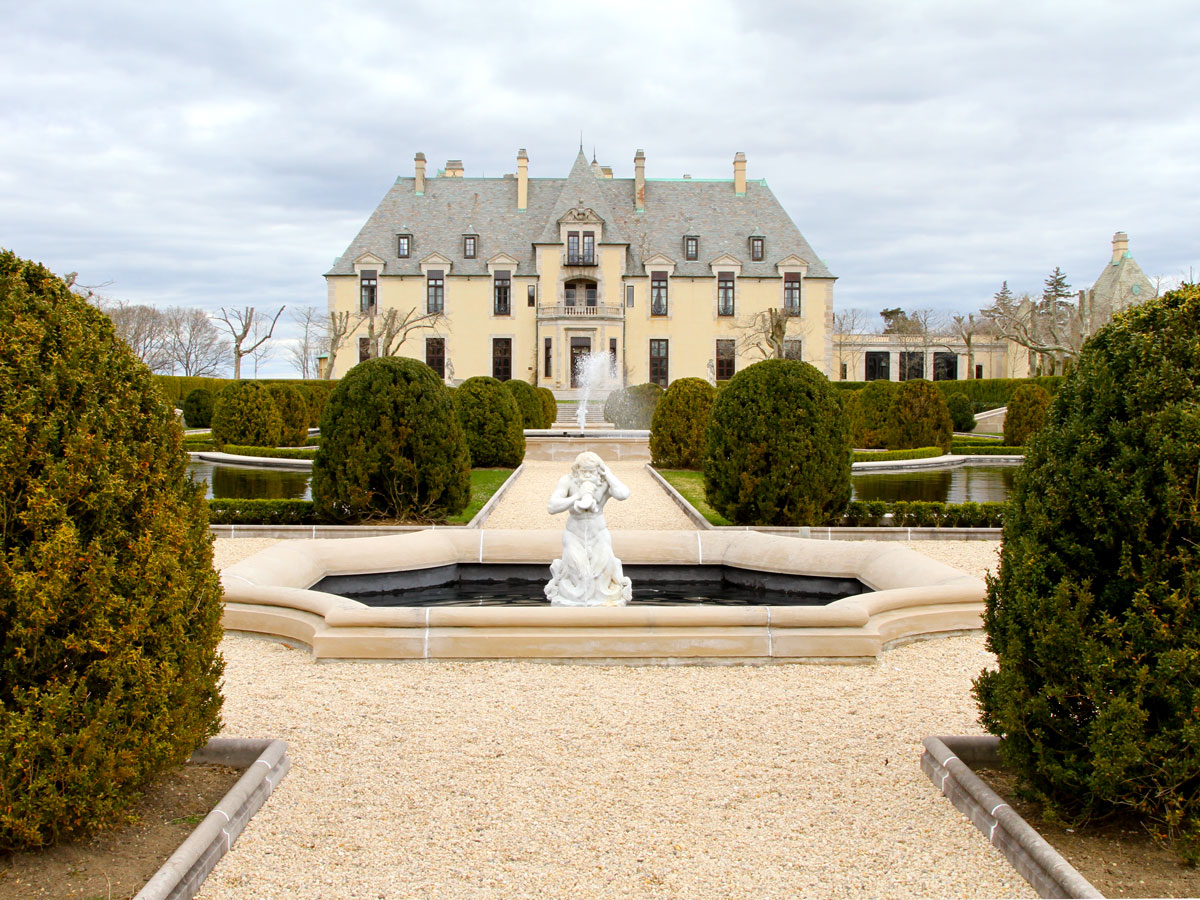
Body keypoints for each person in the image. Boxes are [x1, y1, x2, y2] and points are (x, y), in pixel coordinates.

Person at [544, 451, 632, 606]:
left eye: (591, 471)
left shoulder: (604, 482)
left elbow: (623, 494)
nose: (587, 474)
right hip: (574, 534)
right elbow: (552, 507)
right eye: (583, 471)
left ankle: (602, 601)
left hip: (599, 535)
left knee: (601, 573)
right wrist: (576, 497)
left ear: (598, 470)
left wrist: (609, 474)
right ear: (577, 470)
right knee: (579, 572)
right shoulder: (568, 481)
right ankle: (575, 600)